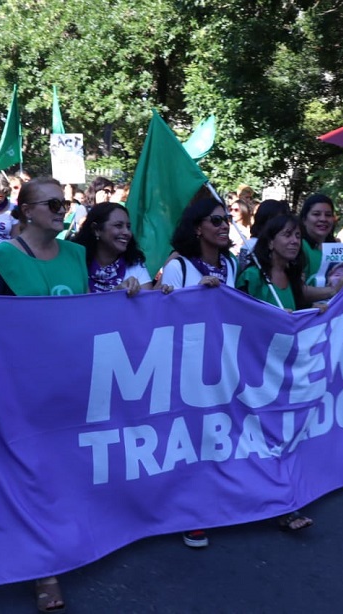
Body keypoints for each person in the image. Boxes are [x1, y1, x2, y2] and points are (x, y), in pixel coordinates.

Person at [0, 177, 86, 613]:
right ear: (26, 210)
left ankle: (68, 544)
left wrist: (142, 294)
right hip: (22, 390)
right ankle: (45, 572)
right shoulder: (1, 258)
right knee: (33, 477)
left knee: (67, 473)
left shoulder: (78, 254)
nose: (62, 208)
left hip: (74, 385)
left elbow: (94, 312)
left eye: (65, 201)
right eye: (52, 202)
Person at [157, 198, 239, 549]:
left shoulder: (232, 264)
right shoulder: (180, 268)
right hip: (186, 369)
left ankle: (215, 499)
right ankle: (189, 513)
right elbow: (164, 320)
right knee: (187, 441)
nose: (224, 225)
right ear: (197, 227)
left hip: (222, 365)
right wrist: (196, 298)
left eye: (227, 219)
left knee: (216, 437)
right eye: (216, 220)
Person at [235, 215, 314, 530]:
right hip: (253, 373)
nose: (295, 241)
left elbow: (301, 305)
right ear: (270, 242)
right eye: (287, 235)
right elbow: (235, 316)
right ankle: (281, 505)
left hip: (285, 373)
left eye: (297, 236)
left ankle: (280, 500)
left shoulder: (293, 276)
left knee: (281, 437)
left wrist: (319, 308)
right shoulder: (253, 276)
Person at [72, 202, 155, 294]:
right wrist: (116, 294)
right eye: (118, 225)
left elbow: (148, 304)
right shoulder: (76, 263)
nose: (126, 232)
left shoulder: (135, 264)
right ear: (96, 229)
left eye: (128, 227)